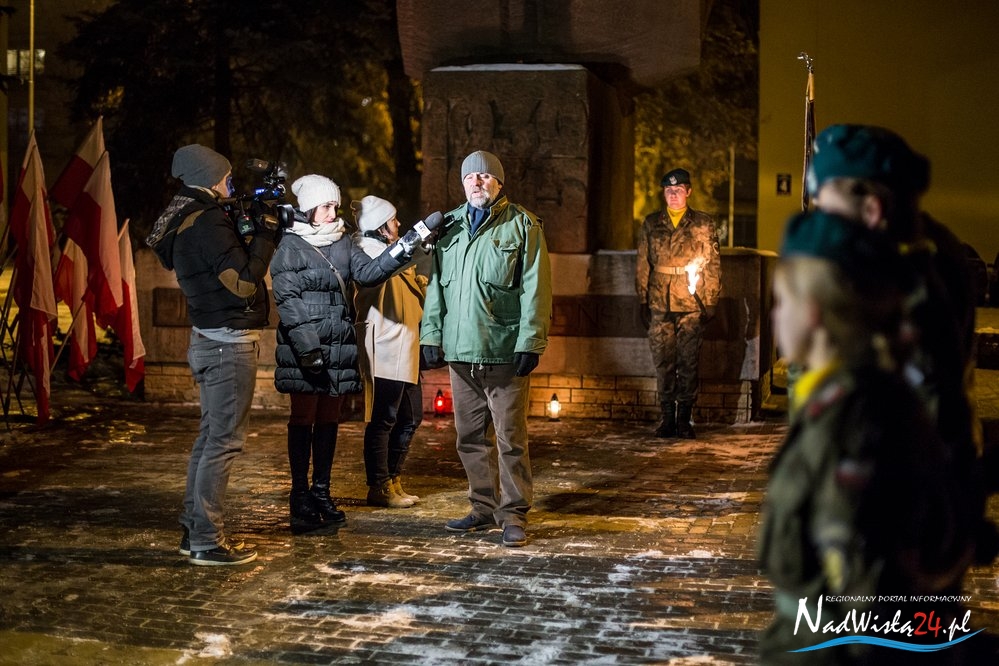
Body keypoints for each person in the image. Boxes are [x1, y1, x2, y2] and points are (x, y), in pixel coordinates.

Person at [758, 210, 975, 664]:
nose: (775, 316)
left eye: (781, 302)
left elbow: (867, 614)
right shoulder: (841, 400)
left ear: (813, 311)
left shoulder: (854, 421)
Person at [806, 123, 996, 564]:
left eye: (829, 210)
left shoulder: (906, 276)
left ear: (872, 209)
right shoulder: (926, 245)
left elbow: (927, 395)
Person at [146, 144, 275, 566]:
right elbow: (242, 282)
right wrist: (266, 237)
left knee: (210, 439)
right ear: (211, 177)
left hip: (211, 339)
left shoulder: (192, 217)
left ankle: (194, 529)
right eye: (226, 177)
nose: (231, 185)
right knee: (223, 443)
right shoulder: (206, 221)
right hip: (227, 345)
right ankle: (206, 539)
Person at [420, 150, 552, 548]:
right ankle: (482, 506)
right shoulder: (449, 227)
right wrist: (431, 335)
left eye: (484, 176)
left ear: (499, 182)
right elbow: (436, 287)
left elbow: (536, 288)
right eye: (470, 177)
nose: (476, 182)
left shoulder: (522, 226)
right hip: (461, 353)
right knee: (468, 438)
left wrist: (530, 341)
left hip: (503, 351)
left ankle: (513, 514)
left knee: (511, 439)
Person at [269, 175, 416, 533]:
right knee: (303, 419)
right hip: (305, 348)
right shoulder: (290, 246)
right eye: (325, 206)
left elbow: (369, 273)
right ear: (308, 209)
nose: (332, 212)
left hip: (338, 346)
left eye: (334, 205)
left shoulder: (342, 242)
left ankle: (321, 491)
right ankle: (299, 496)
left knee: (328, 421)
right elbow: (287, 300)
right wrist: (308, 347)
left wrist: (405, 246)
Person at [636, 168, 721, 439]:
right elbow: (643, 263)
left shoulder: (703, 223)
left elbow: (712, 264)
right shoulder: (651, 223)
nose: (673, 195)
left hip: (691, 303)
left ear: (688, 192)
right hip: (659, 302)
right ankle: (667, 419)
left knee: (688, 362)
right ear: (664, 193)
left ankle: (684, 419)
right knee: (663, 363)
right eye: (669, 190)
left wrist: (711, 300)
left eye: (679, 190)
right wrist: (642, 299)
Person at [352, 195, 426, 509]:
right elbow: (385, 270)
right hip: (385, 345)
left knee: (411, 417)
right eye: (393, 220)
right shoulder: (368, 252)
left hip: (405, 343)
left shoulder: (392, 252)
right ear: (382, 226)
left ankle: (392, 478)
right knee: (384, 418)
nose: (398, 224)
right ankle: (379, 485)